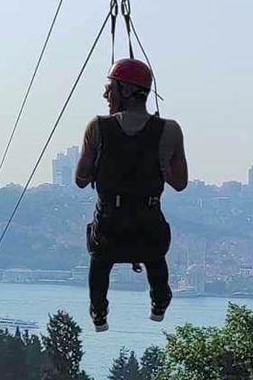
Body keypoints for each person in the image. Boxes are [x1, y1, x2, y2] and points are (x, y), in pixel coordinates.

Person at [75, 57, 187, 332]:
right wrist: (159, 164)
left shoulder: (98, 128)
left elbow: (80, 179)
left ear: (125, 91)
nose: (106, 94)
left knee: (100, 260)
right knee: (155, 258)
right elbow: (180, 182)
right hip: (148, 224)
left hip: (110, 225)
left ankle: (98, 310)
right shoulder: (169, 130)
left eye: (110, 87)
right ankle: (159, 301)